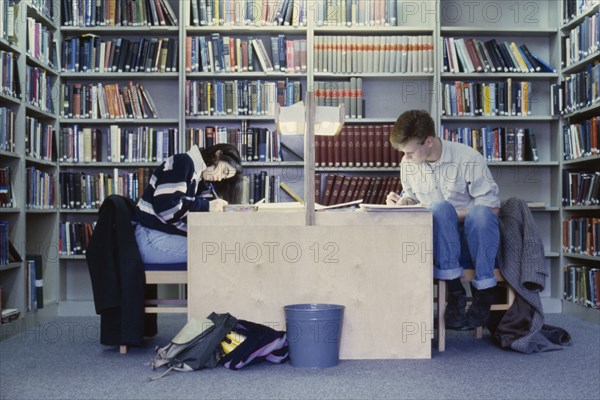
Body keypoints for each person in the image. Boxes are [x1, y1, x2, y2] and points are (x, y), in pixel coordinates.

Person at [386, 110, 500, 330]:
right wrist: (403, 202)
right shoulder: (408, 164)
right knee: (438, 209)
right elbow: (412, 196)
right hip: (436, 243)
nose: (406, 158)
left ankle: (484, 292)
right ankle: (455, 291)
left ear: (428, 141)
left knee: (471, 212)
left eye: (409, 152)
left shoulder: (469, 158)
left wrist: (445, 214)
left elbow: (491, 208)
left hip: (472, 240)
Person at [134, 143, 243, 264]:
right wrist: (207, 206)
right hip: (150, 237)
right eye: (224, 171)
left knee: (218, 247)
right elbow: (167, 209)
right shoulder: (183, 162)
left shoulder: (198, 177)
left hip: (160, 234)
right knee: (216, 253)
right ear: (217, 154)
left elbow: (190, 211)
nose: (219, 178)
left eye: (224, 177)